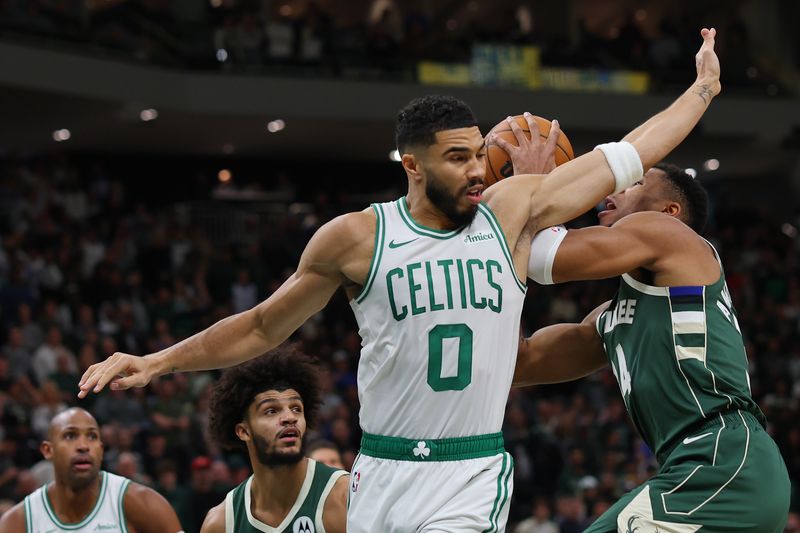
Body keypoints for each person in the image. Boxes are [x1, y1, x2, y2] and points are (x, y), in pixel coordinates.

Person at [79, 29, 722, 532]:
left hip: (469, 471)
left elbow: (628, 156)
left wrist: (699, 93)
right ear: (412, 165)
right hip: (380, 471)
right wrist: (158, 361)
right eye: (458, 157)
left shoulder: (511, 210)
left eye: (479, 152)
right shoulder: (356, 238)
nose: (478, 169)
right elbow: (261, 325)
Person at [514, 163, 791, 531]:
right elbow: (521, 363)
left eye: (635, 181)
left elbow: (547, 259)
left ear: (669, 211)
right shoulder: (613, 319)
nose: (614, 187)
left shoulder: (667, 233)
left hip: (723, 459)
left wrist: (532, 187)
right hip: (703, 467)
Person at [199, 346, 348, 533]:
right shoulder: (221, 523)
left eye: (296, 408)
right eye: (271, 411)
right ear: (243, 431)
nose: (289, 417)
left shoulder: (343, 496)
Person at [0, 408, 183, 533]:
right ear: (48, 450)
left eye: (92, 436)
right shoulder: (18, 522)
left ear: (101, 450)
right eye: (70, 435)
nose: (83, 446)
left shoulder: (142, 503)